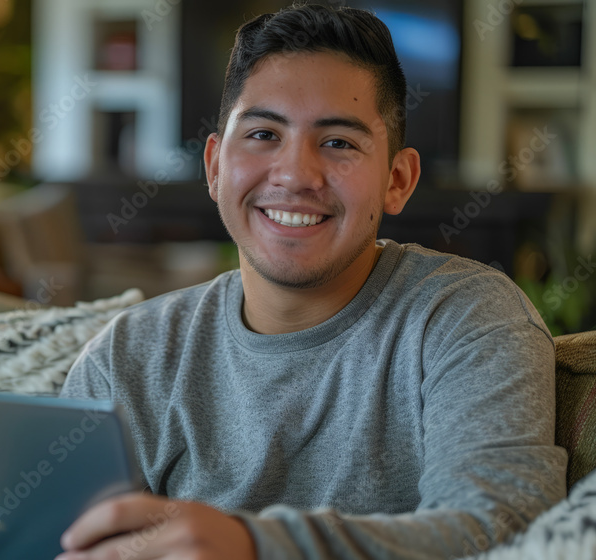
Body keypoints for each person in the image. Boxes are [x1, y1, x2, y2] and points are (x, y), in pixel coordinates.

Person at [55, 4, 567, 560]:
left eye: (339, 143)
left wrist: (255, 546)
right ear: (215, 168)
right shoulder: (126, 357)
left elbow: (505, 533)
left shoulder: (469, 319)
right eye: (262, 133)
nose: (296, 174)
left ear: (398, 180)